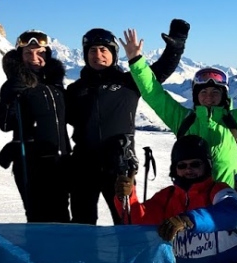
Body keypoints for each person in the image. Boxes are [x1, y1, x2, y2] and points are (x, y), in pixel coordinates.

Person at [121, 30, 237, 188]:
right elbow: (154, 94)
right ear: (196, 96)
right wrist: (137, 62)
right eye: (204, 92)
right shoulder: (183, 120)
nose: (209, 96)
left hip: (225, 203)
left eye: (215, 92)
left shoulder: (236, 122)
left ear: (223, 95)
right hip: (188, 202)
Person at [65, 21, 188, 225]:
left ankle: (126, 259)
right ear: (85, 55)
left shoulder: (129, 82)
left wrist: (176, 45)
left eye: (104, 50)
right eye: (92, 50)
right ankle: (83, 258)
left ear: (113, 53)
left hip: (119, 167)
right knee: (81, 224)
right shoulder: (75, 90)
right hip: (83, 167)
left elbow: (160, 71)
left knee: (126, 223)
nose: (98, 55)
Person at [0, 31, 70, 223]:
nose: (35, 58)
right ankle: (38, 253)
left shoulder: (55, 84)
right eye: (28, 53)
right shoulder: (15, 85)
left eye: (40, 53)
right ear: (20, 56)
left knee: (62, 216)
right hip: (31, 163)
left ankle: (62, 254)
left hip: (60, 161)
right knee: (37, 217)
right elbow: (4, 125)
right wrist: (9, 99)